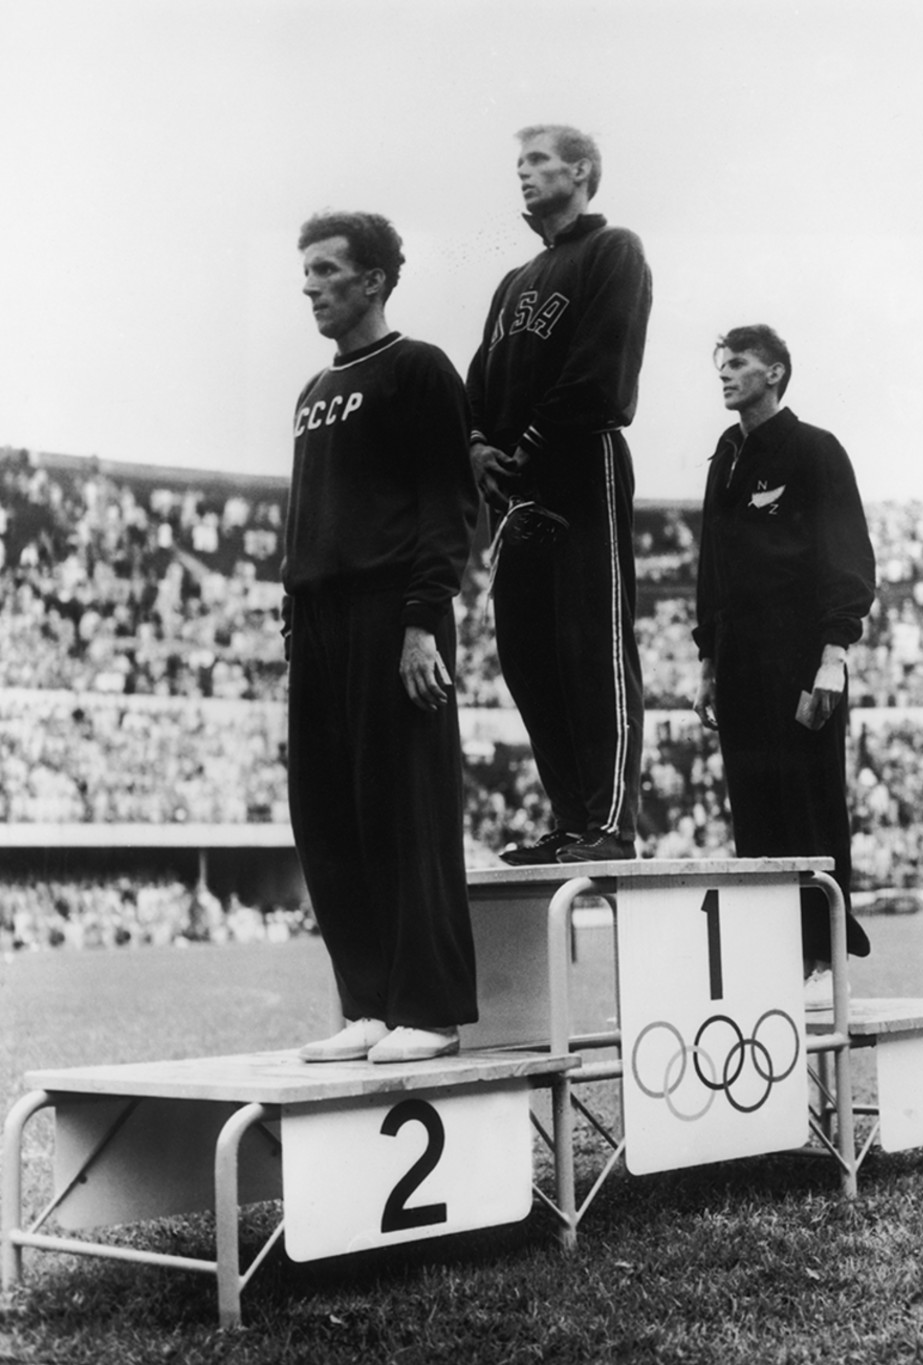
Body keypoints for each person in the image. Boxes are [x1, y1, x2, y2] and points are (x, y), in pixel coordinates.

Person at [282, 211, 478, 1063]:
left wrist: (421, 621)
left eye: (327, 270)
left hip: (392, 612)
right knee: (326, 814)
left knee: (405, 811)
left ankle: (428, 1010)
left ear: (373, 280)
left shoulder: (418, 369)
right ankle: (366, 1002)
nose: (311, 286)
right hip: (318, 621)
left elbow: (447, 504)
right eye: (307, 272)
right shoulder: (312, 394)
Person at [466, 124, 652, 865]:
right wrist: (477, 448)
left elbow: (605, 372)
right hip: (514, 489)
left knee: (591, 646)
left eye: (538, 160)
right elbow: (478, 388)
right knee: (528, 656)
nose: (523, 172)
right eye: (517, 162)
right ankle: (572, 821)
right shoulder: (513, 283)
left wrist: (528, 445)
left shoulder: (614, 250)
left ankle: (610, 823)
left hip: (579, 466)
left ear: (582, 171)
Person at [692, 325, 875, 1006]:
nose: (725, 373)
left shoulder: (814, 449)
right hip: (739, 663)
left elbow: (849, 555)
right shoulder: (725, 459)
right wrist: (707, 660)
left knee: (810, 804)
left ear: (775, 371)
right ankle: (778, 959)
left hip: (801, 655)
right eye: (722, 362)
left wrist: (834, 654)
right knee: (757, 815)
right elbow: (711, 569)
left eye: (737, 362)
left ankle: (824, 960)